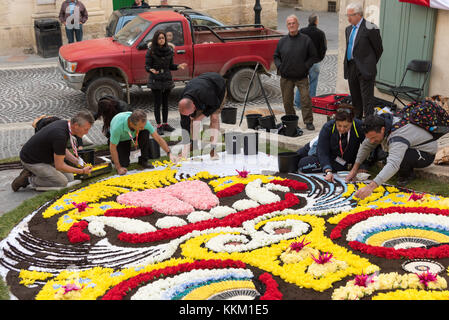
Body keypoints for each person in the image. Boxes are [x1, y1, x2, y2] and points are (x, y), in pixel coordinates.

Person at [345, 114, 438, 198]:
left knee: (400, 158)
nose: (372, 141)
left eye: (373, 137)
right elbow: (366, 145)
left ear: (382, 129)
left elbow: (393, 164)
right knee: (389, 153)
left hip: (426, 153)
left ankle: (407, 175)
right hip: (412, 145)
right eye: (370, 138)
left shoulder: (397, 137)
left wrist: (371, 187)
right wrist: (354, 169)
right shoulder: (380, 123)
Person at [12, 111, 95, 191]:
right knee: (61, 182)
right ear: (76, 125)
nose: (87, 132)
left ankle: (39, 174)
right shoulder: (60, 135)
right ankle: (28, 179)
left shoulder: (65, 125)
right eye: (86, 129)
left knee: (70, 178)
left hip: (45, 156)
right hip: (32, 160)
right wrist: (82, 171)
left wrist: (78, 162)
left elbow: (62, 150)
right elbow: (59, 165)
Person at [296, 105, 365, 182]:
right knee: (294, 158)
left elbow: (367, 147)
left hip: (339, 160)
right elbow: (322, 150)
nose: (342, 129)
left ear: (352, 121)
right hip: (317, 148)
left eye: (346, 126)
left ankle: (335, 165)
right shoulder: (328, 127)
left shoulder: (359, 126)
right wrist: (328, 171)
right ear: (335, 121)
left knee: (302, 165)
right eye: (339, 125)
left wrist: (362, 165)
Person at [273, 15, 319, 131]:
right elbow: (276, 56)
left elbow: (313, 56)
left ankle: (308, 121)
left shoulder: (306, 40)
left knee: (305, 99)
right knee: (287, 101)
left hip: (301, 77)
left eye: (293, 23)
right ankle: (291, 120)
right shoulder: (282, 41)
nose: (291, 25)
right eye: (289, 23)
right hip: (286, 77)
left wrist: (305, 67)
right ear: (287, 26)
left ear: (298, 25)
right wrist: (280, 66)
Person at [344, 2, 383, 119]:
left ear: (358, 15)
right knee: (355, 97)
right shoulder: (348, 29)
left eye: (350, 15)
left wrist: (369, 63)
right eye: (347, 15)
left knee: (367, 100)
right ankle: (357, 122)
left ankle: (369, 124)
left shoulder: (371, 28)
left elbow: (379, 49)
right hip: (351, 67)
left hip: (365, 69)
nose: (348, 18)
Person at [109, 109, 174, 175]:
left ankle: (143, 160)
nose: (143, 128)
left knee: (145, 131)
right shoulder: (117, 127)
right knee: (124, 164)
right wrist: (118, 168)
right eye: (140, 127)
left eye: (143, 125)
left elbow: (158, 138)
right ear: (131, 124)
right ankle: (114, 156)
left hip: (134, 134)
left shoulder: (143, 123)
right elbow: (112, 147)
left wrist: (169, 153)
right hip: (121, 139)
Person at [145, 30, 187, 135]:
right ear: (156, 39)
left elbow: (170, 66)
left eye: (163, 38)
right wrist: (151, 70)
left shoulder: (169, 50)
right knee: (157, 104)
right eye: (159, 38)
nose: (161, 40)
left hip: (167, 79)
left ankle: (165, 124)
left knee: (165, 104)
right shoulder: (151, 51)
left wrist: (178, 66)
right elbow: (147, 66)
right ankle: (159, 125)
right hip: (156, 80)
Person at [178, 72, 227, 160]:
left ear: (194, 105)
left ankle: (213, 150)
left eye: (190, 112)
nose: (188, 115)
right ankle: (193, 145)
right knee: (193, 120)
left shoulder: (206, 94)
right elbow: (185, 124)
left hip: (217, 88)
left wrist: (200, 117)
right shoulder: (183, 101)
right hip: (200, 88)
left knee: (214, 118)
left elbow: (215, 105)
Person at [294, 13, 327, 109]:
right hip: (314, 62)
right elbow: (323, 48)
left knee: (301, 83)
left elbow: (296, 46)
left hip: (302, 62)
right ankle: (311, 104)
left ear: (309, 21)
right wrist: (319, 59)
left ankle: (298, 103)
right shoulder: (320, 33)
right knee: (313, 83)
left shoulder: (301, 31)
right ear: (316, 21)